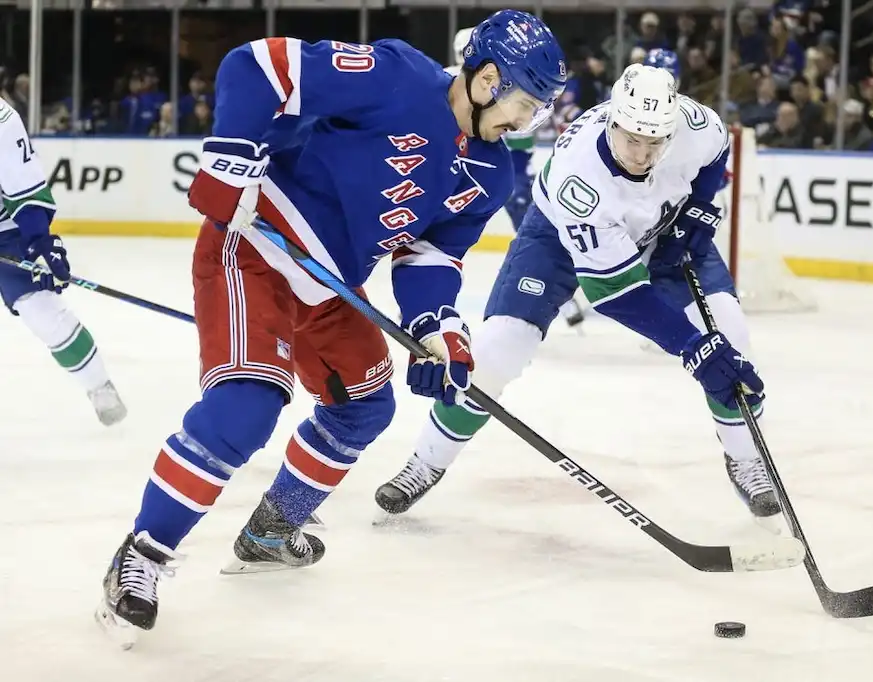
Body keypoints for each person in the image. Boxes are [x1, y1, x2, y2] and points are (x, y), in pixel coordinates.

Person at [95, 10, 566, 646]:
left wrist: (436, 327)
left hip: (330, 287)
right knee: (245, 406)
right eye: (525, 105)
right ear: (486, 80)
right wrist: (232, 155)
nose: (527, 122)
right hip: (255, 251)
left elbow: (430, 256)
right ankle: (143, 555)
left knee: (365, 408)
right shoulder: (398, 76)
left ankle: (270, 530)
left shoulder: (492, 172)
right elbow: (259, 66)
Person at [375, 64, 780, 533]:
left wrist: (700, 208)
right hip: (556, 240)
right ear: (611, 120)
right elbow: (614, 293)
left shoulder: (691, 124)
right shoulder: (579, 179)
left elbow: (714, 155)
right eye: (632, 140)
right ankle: (426, 461)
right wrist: (692, 348)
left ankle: (747, 460)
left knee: (732, 337)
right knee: (497, 352)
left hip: (667, 232)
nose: (642, 154)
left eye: (655, 144)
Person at [449, 26, 587, 327]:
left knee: (534, 235)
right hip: (467, 168)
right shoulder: (453, 83)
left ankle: (556, 297)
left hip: (504, 170)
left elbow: (525, 133)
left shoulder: (514, 89)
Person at [0, 99, 126, 426]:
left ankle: (99, 385)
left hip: (5, 231)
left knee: (41, 311)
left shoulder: (2, 120)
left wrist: (39, 239)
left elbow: (23, 188)